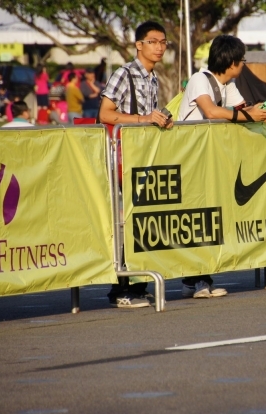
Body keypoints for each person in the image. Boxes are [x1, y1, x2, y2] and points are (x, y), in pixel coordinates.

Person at [177, 34, 266, 299]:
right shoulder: (200, 79)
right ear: (231, 62)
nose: (243, 64)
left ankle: (194, 280)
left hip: (208, 160)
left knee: (208, 219)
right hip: (189, 158)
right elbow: (212, 111)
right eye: (242, 60)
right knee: (199, 219)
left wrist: (262, 112)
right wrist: (248, 115)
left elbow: (242, 108)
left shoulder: (228, 83)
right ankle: (199, 280)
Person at [99, 21, 173, 309]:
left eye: (163, 42)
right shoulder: (124, 73)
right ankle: (121, 290)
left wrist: (160, 121)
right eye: (153, 41)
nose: (159, 47)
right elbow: (105, 113)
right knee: (124, 223)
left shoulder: (153, 78)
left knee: (140, 223)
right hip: (121, 159)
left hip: (141, 160)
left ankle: (137, 285)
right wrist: (144, 119)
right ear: (139, 45)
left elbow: (147, 118)